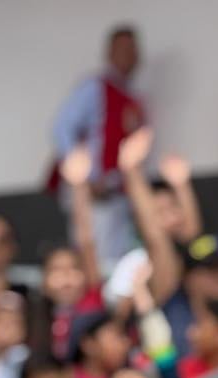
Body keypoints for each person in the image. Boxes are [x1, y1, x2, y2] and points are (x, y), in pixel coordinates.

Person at [51, 25, 147, 269]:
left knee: (120, 261)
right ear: (110, 52)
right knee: (93, 260)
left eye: (133, 50)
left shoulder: (131, 95)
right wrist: (86, 180)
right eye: (123, 49)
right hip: (94, 193)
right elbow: (62, 128)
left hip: (119, 193)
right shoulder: (94, 87)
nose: (129, 55)